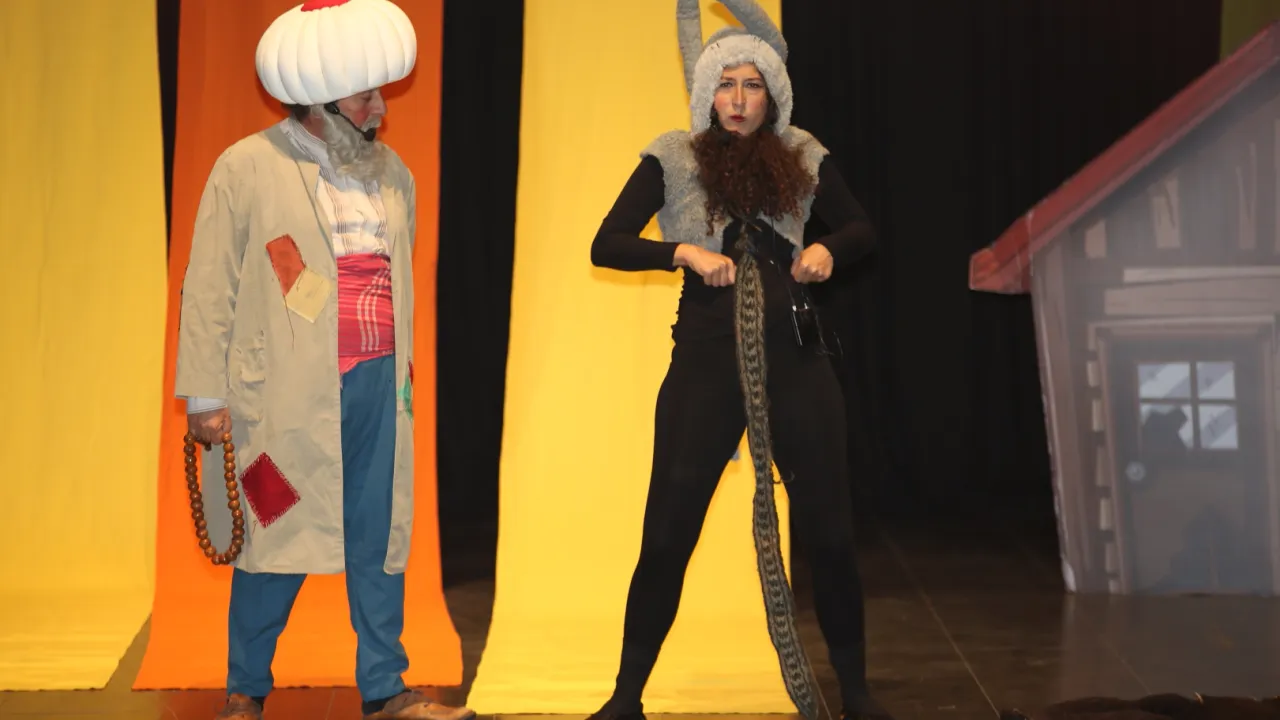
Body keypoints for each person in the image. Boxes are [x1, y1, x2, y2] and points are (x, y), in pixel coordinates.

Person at [587, 2, 892, 720]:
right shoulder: (672, 155)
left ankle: (856, 694)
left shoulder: (802, 153)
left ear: (772, 95)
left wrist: (827, 249)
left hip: (795, 357)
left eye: (753, 85)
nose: (738, 98)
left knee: (829, 533)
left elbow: (861, 228)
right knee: (668, 532)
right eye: (725, 84)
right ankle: (625, 697)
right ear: (707, 91)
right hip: (705, 362)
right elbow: (606, 243)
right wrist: (682, 253)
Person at [173, 2, 475, 719]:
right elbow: (208, 285)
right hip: (284, 396)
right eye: (367, 95)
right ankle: (245, 690)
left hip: (378, 385)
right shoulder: (247, 166)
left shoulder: (392, 173)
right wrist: (204, 396)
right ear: (323, 101)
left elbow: (397, 278)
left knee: (379, 536)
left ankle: (386, 688)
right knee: (272, 530)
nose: (381, 108)